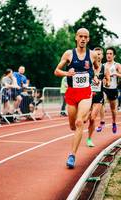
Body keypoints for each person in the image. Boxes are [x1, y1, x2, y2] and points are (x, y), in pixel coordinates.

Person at [54, 28, 99, 169]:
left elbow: (96, 68)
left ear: (88, 39)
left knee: (80, 122)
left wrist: (96, 77)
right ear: (76, 37)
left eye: (86, 37)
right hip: (72, 93)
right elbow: (56, 71)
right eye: (81, 36)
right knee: (73, 125)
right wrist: (67, 73)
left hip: (86, 93)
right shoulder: (69, 54)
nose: (83, 39)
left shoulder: (92, 55)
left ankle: (72, 155)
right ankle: (76, 128)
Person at [86, 47, 110, 147]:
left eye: (100, 54)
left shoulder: (105, 68)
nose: (98, 56)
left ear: (102, 56)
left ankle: (89, 139)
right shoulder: (88, 66)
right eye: (96, 54)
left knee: (92, 118)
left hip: (98, 96)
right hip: (86, 94)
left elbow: (108, 82)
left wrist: (106, 82)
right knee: (83, 119)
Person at [96, 47, 121, 133]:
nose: (108, 55)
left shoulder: (117, 65)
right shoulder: (103, 65)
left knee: (113, 109)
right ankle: (102, 122)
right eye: (107, 53)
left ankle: (114, 123)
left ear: (114, 55)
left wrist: (115, 73)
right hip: (104, 88)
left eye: (110, 54)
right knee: (101, 103)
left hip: (113, 89)